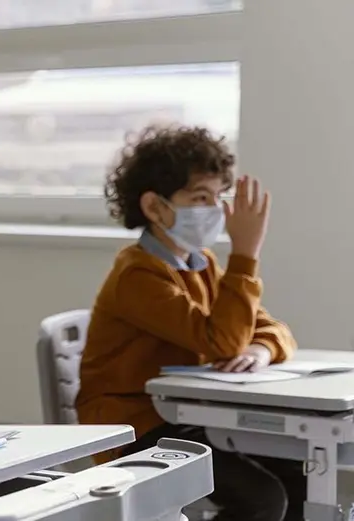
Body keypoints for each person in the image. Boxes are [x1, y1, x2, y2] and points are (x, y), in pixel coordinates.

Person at [76, 126, 304, 521]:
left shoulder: (203, 264)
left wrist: (261, 349)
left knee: (295, 474)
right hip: (137, 424)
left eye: (218, 197)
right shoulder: (138, 274)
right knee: (261, 498)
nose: (216, 209)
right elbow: (222, 341)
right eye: (201, 198)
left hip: (189, 414)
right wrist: (246, 254)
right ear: (155, 207)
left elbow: (271, 328)